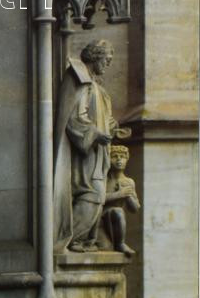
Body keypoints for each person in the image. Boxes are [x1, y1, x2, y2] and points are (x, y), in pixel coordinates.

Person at [53, 39, 129, 252]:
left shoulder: (98, 89)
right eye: (106, 59)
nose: (108, 64)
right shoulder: (81, 80)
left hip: (97, 153)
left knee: (97, 195)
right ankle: (69, 239)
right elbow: (75, 118)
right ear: (95, 56)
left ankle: (82, 239)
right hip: (85, 154)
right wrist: (95, 134)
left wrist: (113, 128)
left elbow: (103, 118)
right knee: (92, 194)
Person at [102, 144, 140, 256]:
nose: (119, 160)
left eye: (122, 157)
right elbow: (97, 198)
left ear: (127, 159)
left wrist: (128, 195)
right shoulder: (103, 179)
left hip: (117, 219)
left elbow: (134, 208)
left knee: (118, 211)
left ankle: (120, 243)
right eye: (115, 156)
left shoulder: (128, 181)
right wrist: (119, 194)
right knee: (117, 211)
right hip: (101, 216)